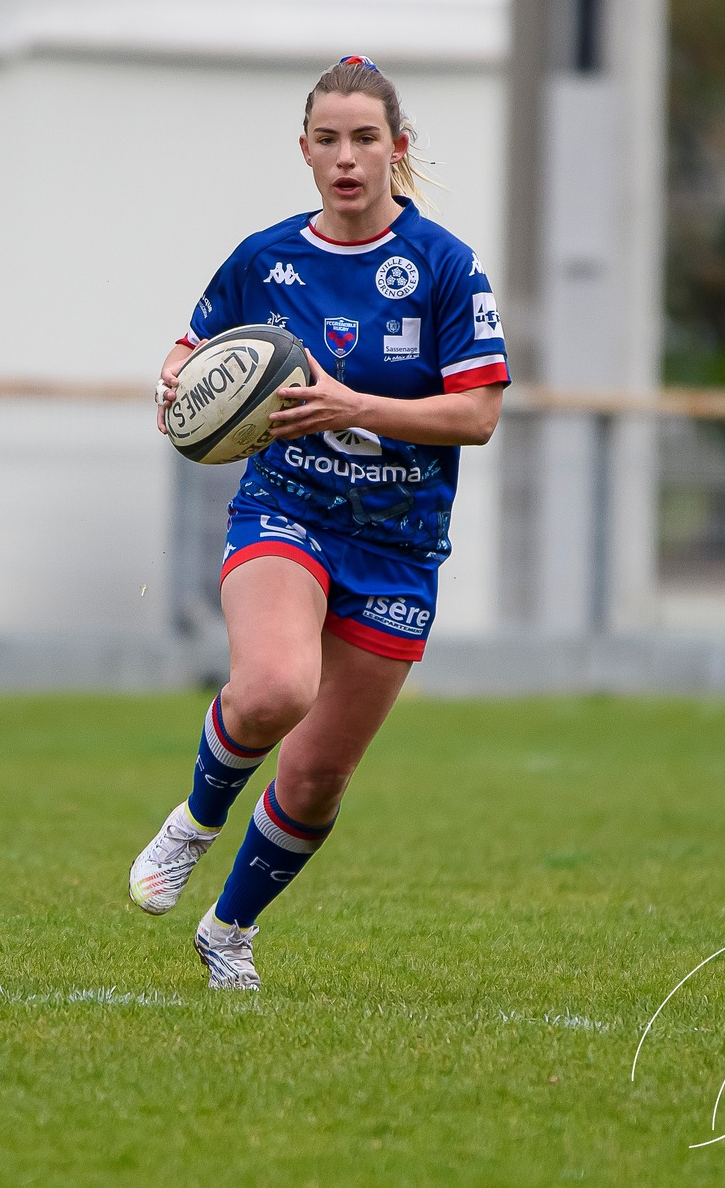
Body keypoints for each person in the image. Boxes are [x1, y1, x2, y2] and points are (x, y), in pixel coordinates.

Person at [127, 56, 509, 988]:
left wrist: (355, 406)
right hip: (286, 507)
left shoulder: (444, 267)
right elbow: (192, 343)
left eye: (365, 139)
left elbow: (479, 415)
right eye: (328, 140)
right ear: (304, 150)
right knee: (273, 687)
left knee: (315, 776)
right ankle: (194, 820)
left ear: (397, 149)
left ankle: (228, 930)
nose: (347, 158)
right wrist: (177, 377)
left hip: (398, 542)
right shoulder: (266, 259)